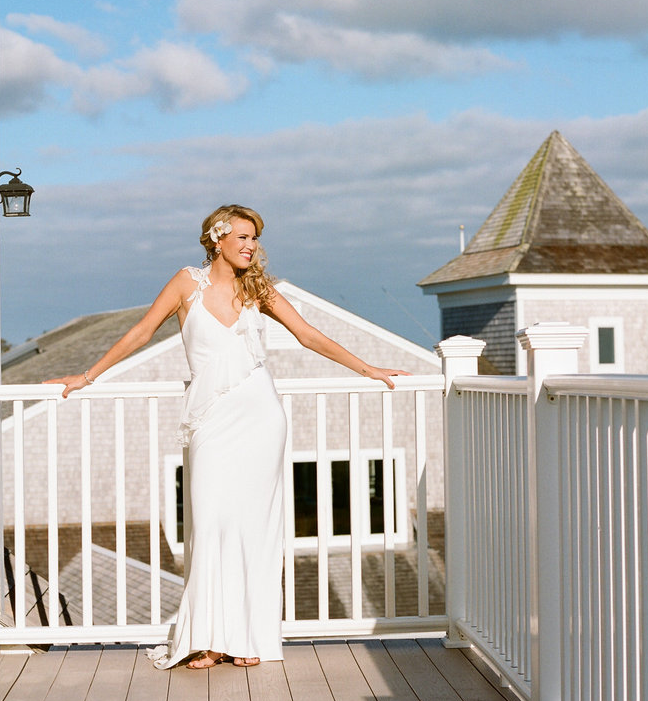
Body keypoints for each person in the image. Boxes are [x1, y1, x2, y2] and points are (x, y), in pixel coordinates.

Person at [48, 205, 408, 669]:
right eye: (241, 237)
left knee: (253, 530)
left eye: (254, 238)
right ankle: (210, 638)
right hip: (212, 419)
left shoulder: (258, 289)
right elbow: (141, 332)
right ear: (216, 239)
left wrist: (369, 368)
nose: (250, 245)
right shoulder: (185, 283)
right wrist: (87, 375)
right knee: (212, 524)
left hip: (261, 414)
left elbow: (308, 335)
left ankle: (246, 639)